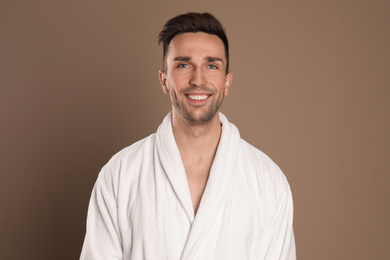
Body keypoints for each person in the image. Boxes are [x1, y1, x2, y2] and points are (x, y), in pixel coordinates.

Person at [80, 12, 296, 260]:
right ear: (164, 80)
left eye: (211, 65)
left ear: (227, 82)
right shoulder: (119, 175)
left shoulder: (268, 182)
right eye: (183, 65)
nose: (198, 79)